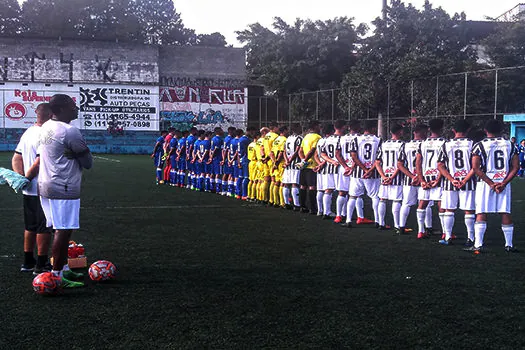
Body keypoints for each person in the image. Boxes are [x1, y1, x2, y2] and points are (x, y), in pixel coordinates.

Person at [37, 94, 92, 288]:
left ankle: (64, 267)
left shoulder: (45, 127)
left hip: (45, 185)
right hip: (64, 186)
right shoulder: (70, 131)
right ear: (59, 110)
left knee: (56, 228)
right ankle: (57, 275)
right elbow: (88, 163)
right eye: (71, 106)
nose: (75, 109)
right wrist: (79, 155)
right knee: (63, 230)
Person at [12, 103, 53, 274]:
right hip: (42, 186)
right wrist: (28, 178)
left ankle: (28, 261)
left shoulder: (28, 132)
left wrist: (21, 178)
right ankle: (41, 264)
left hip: (28, 189)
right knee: (44, 227)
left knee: (30, 226)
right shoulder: (48, 132)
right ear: (52, 114)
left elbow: (16, 158)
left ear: (36, 113)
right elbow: (38, 161)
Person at [467, 120, 519, 253]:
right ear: (501, 130)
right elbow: (516, 167)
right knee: (505, 211)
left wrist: (491, 184)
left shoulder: (479, 146)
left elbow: (475, 168)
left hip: (485, 183)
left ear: (485, 130)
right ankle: (509, 245)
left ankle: (478, 245)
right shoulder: (510, 145)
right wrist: (503, 183)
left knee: (481, 212)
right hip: (503, 182)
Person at [437, 119, 476, 246]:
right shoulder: (473, 144)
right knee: (469, 210)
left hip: (450, 183)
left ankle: (448, 237)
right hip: (468, 182)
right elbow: (476, 166)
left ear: (453, 130)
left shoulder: (446, 144)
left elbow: (440, 165)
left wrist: (452, 179)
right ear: (468, 130)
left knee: (449, 209)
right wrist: (464, 179)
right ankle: (471, 238)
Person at [344, 121, 382, 228]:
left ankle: (348, 220)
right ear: (373, 128)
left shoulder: (356, 139)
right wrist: (368, 170)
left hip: (357, 173)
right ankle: (377, 221)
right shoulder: (378, 140)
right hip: (373, 173)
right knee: (375, 197)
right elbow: (379, 159)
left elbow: (354, 157)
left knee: (353, 196)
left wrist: (363, 169)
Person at [415, 119, 447, 239]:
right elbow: (444, 164)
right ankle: (445, 232)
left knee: (422, 203)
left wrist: (421, 179)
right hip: (439, 178)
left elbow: (418, 162)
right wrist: (438, 179)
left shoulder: (423, 143)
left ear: (429, 129)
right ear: (442, 128)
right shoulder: (444, 143)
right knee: (441, 204)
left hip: (425, 177)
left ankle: (420, 231)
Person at [397, 124, 429, 235]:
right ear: (420, 131)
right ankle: (425, 228)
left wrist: (412, 176)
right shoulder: (425, 145)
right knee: (426, 203)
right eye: (425, 131)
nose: (427, 133)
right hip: (424, 179)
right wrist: (419, 177)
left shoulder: (406, 145)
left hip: (409, 180)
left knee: (406, 203)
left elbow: (400, 165)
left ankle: (401, 227)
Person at [376, 124, 405, 234]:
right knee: (396, 200)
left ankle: (381, 223)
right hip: (396, 177)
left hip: (384, 176)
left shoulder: (384, 144)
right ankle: (397, 225)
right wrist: (392, 176)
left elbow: (377, 162)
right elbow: (400, 164)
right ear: (400, 132)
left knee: (382, 199)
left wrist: (384, 176)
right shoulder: (402, 145)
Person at [298, 121, 322, 214]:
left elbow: (300, 150)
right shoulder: (317, 137)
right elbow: (312, 150)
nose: (320, 128)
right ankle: (313, 208)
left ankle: (302, 207)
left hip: (304, 165)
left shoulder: (306, 137)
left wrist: (303, 160)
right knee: (312, 187)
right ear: (315, 126)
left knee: (303, 186)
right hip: (313, 165)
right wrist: (305, 160)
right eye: (319, 126)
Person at [282, 123, 303, 210]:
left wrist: (287, 161)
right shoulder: (299, 138)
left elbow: (284, 151)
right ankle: (296, 204)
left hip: (288, 165)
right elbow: (297, 151)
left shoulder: (288, 138)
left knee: (286, 184)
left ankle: (286, 203)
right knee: (295, 184)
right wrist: (290, 160)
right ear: (297, 129)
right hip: (295, 164)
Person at [270, 126, 288, 208]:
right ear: (284, 131)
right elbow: (281, 153)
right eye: (287, 130)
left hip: (274, 162)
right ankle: (282, 203)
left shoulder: (276, 140)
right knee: (282, 183)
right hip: (281, 163)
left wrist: (274, 162)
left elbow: (271, 153)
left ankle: (274, 201)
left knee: (276, 182)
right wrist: (277, 163)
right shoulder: (284, 140)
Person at [262, 122, 279, 205]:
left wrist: (263, 157)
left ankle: (264, 198)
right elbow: (273, 150)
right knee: (273, 180)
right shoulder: (275, 136)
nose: (278, 129)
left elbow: (262, 148)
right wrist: (269, 158)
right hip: (272, 159)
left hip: (265, 160)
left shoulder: (266, 136)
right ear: (274, 127)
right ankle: (273, 201)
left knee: (265, 179)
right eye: (277, 127)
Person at [236, 129, 251, 200]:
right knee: (246, 177)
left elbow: (238, 153)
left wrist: (238, 162)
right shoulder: (246, 140)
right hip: (245, 160)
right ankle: (244, 194)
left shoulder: (239, 140)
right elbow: (247, 151)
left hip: (240, 159)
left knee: (240, 177)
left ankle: (238, 194)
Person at [209, 127, 224, 193]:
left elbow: (211, 149)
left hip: (213, 158)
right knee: (218, 173)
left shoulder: (213, 138)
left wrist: (210, 157)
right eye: (221, 130)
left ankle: (211, 187)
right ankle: (218, 189)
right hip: (218, 158)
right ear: (218, 131)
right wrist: (211, 157)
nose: (223, 131)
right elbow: (216, 149)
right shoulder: (219, 139)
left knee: (213, 173)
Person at [247, 132, 260, 201]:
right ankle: (253, 196)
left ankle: (249, 195)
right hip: (255, 162)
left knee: (251, 180)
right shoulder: (256, 145)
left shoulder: (250, 144)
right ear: (257, 137)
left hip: (250, 162)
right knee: (255, 180)